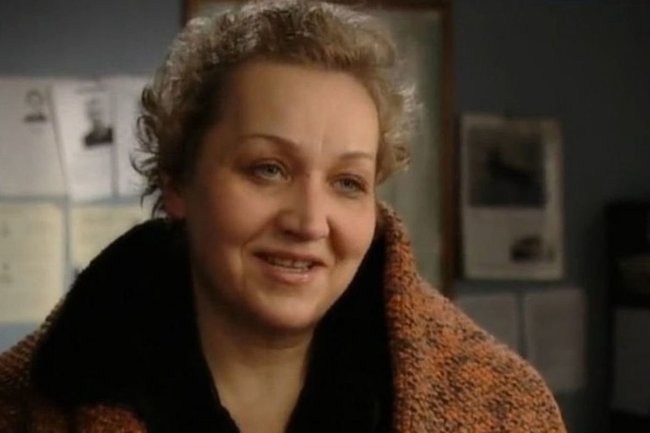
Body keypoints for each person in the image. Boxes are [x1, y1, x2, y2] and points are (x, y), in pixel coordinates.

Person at [0, 1, 567, 432]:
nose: (311, 222)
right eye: (268, 169)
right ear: (177, 182)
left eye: (348, 182)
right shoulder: (21, 405)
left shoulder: (503, 407)